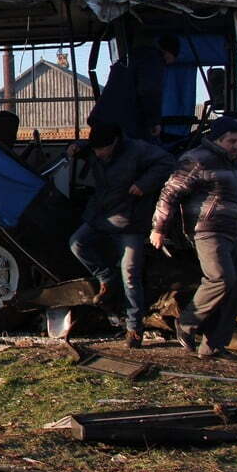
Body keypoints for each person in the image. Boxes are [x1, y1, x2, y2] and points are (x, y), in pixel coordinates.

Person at [68, 122, 175, 347]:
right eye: (95, 150)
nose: (98, 154)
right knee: (77, 244)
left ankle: (134, 329)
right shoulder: (97, 147)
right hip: (102, 214)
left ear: (115, 142)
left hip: (131, 220)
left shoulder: (138, 150)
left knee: (131, 276)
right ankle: (107, 279)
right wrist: (76, 146)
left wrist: (144, 184)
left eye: (102, 150)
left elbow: (167, 162)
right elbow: (88, 146)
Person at [150, 116, 237, 359]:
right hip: (208, 230)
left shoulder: (233, 163)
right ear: (218, 139)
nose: (236, 146)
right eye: (231, 141)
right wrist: (158, 228)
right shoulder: (196, 159)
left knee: (234, 289)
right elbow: (169, 193)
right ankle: (186, 323)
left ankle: (213, 346)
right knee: (220, 279)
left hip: (233, 232)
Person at [88, 35, 180, 141]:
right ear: (169, 54)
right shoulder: (153, 60)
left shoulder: (133, 56)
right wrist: (154, 121)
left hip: (105, 119)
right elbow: (149, 91)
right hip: (123, 124)